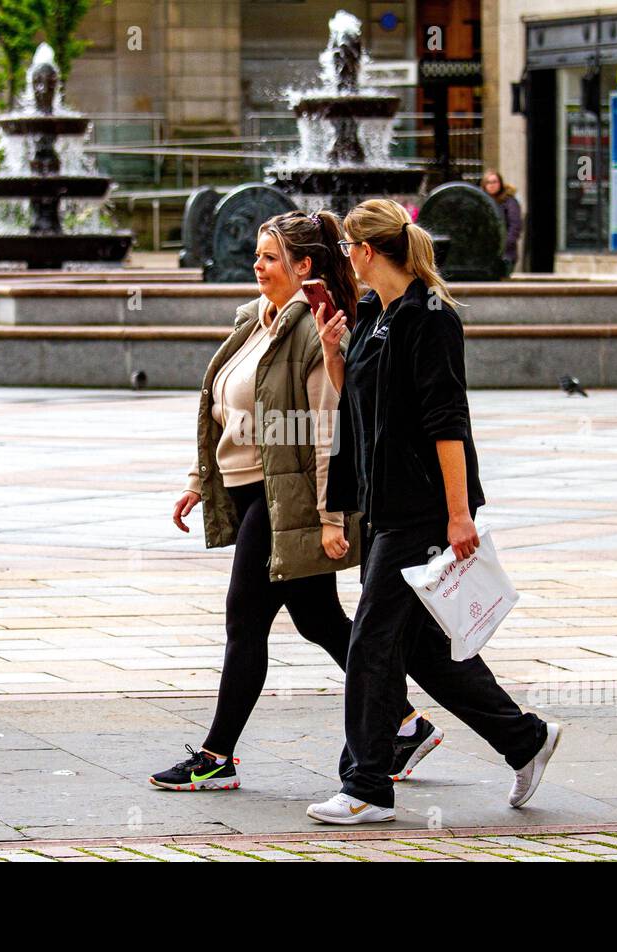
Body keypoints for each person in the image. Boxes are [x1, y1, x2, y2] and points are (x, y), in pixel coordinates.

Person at [149, 210, 444, 792]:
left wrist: (332, 516)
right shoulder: (255, 321)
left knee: (244, 620)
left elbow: (330, 429)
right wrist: (197, 479)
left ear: (303, 266)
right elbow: (226, 410)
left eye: (269, 257)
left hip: (287, 499)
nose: (256, 266)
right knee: (318, 619)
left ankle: (216, 755)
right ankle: (404, 722)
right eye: (256, 256)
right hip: (253, 487)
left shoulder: (313, 329)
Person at [306, 199, 561, 824]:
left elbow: (449, 423)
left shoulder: (431, 317)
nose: (346, 263)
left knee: (369, 642)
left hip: (422, 509)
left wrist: (458, 515)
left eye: (348, 252)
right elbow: (360, 404)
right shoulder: (373, 312)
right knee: (421, 647)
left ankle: (366, 784)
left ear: (366, 252)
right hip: (384, 504)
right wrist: (334, 350)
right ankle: (523, 738)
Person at [481, 168, 522, 278]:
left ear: (500, 183)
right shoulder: (481, 202)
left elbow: (515, 226)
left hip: (506, 253)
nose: (492, 185)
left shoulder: (510, 202)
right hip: (485, 254)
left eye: (495, 182)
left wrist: (504, 246)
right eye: (488, 182)